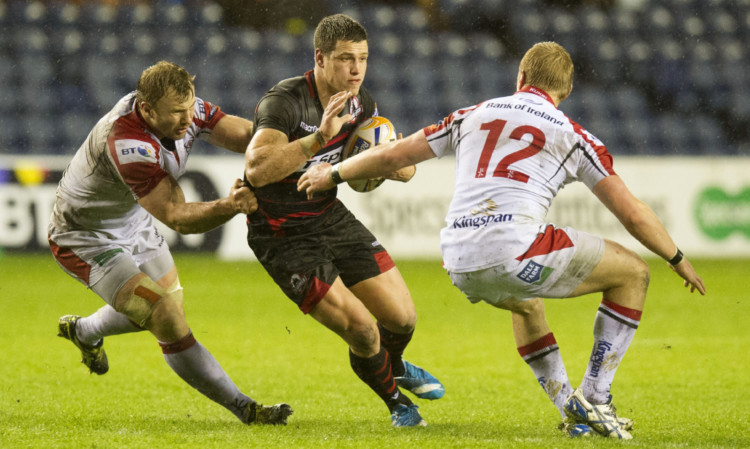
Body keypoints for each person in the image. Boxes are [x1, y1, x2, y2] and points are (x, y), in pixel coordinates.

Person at [298, 41, 706, 438]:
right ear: (565, 91)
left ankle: (572, 410)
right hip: (515, 250)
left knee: (527, 306)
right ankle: (597, 396)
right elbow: (631, 213)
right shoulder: (572, 134)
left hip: (458, 261)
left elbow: (394, 155)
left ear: (521, 75)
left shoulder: (471, 114)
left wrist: (332, 173)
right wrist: (675, 256)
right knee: (633, 273)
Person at [50, 61, 293, 425]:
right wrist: (230, 205)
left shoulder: (185, 108)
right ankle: (246, 409)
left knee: (162, 313)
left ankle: (84, 330)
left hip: (135, 223)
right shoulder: (126, 140)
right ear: (146, 109)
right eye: (176, 113)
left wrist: (297, 149)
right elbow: (177, 216)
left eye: (190, 108)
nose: (186, 119)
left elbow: (247, 137)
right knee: (164, 315)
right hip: (86, 237)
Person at [243, 14, 444, 427]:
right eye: (345, 59)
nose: (356, 69)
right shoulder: (284, 101)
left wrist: (396, 167)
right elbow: (258, 172)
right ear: (319, 58)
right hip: (283, 234)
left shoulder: (362, 102)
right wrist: (319, 136)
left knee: (402, 317)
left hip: (329, 215)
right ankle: (397, 404)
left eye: (363, 59)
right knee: (363, 331)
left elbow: (375, 160)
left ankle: (396, 364)